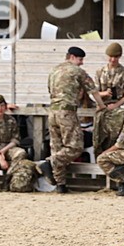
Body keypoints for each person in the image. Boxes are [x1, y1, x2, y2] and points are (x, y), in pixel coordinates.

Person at [40, 46, 102, 194]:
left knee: (57, 147)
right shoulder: (77, 71)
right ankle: (49, 163)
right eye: (80, 59)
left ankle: (60, 185)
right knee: (75, 146)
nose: (81, 63)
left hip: (52, 111)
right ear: (72, 57)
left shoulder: (54, 71)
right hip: (67, 112)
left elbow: (50, 90)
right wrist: (101, 105)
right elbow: (93, 91)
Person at [94, 42, 124, 153]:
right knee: (98, 138)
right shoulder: (100, 72)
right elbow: (94, 92)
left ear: (119, 57)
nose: (112, 59)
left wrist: (115, 105)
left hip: (116, 109)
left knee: (115, 137)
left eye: (115, 57)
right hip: (101, 107)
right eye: (110, 57)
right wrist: (104, 94)